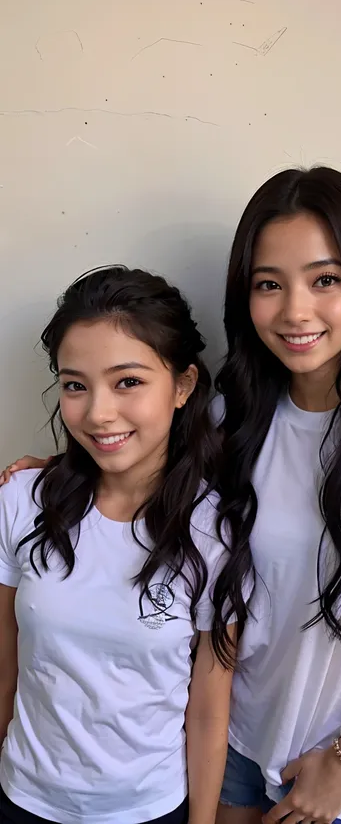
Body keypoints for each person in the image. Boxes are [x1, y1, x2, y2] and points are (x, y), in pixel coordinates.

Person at [5, 167, 341, 824]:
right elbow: (136, 455)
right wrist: (52, 472)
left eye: (326, 279)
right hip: (228, 745)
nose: (294, 311)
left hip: (340, 768)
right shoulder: (233, 417)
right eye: (268, 285)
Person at [0, 266, 236, 824]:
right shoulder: (21, 500)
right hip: (23, 800)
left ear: (182, 386)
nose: (98, 412)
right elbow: (4, 660)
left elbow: (207, 710)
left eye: (128, 381)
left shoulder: (213, 529)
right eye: (75, 384)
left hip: (149, 809)